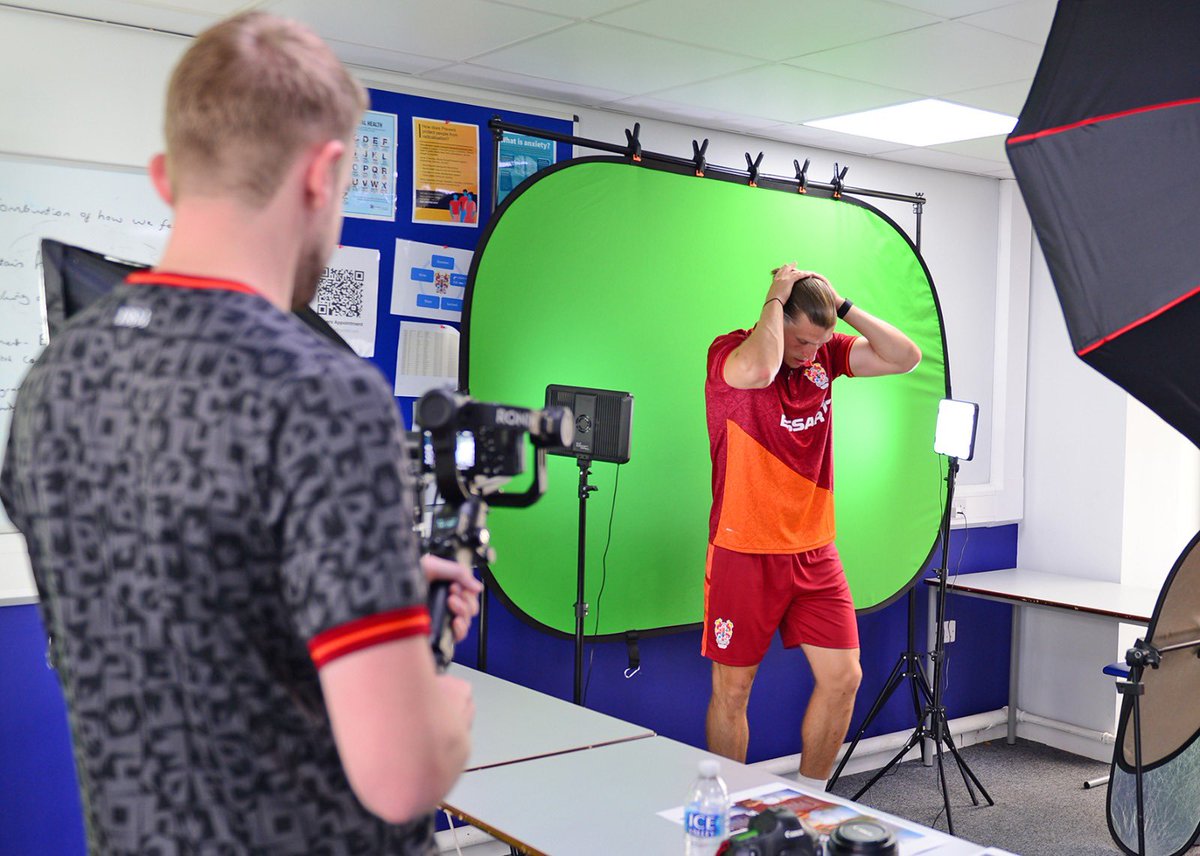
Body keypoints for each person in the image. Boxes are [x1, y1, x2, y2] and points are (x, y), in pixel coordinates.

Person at [0, 12, 479, 854]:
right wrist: (442, 707)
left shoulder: (55, 376)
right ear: (321, 176)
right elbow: (401, 776)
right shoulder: (321, 394)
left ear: (165, 177)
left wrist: (365, 580)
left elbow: (180, 603)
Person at [703, 263, 921, 792]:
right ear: (776, 316)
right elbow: (760, 370)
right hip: (744, 548)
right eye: (801, 341)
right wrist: (775, 297)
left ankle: (811, 798)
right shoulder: (730, 353)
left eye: (819, 342)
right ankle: (726, 806)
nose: (809, 353)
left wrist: (842, 308)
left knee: (844, 678)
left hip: (814, 548)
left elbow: (905, 357)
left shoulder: (824, 355)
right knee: (734, 690)